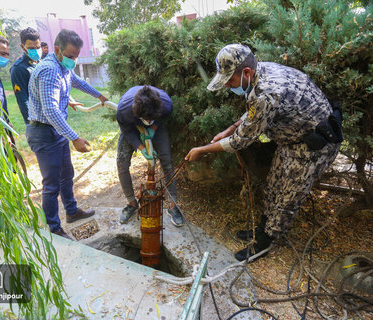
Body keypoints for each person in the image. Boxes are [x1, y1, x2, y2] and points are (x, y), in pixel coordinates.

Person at [185, 44, 342, 261]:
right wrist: (230, 128)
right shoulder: (260, 71)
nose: (229, 86)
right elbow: (253, 112)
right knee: (273, 186)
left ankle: (265, 242)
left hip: (313, 147)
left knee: (287, 198)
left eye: (230, 81)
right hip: (292, 141)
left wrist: (203, 150)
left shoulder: (267, 92)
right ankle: (263, 229)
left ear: (246, 73)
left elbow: (241, 141)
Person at [26, 29, 108, 239]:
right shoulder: (49, 70)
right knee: (51, 184)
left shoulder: (63, 65)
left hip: (56, 130)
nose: (73, 60)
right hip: (43, 133)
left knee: (66, 175)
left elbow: (77, 81)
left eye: (76, 56)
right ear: (57, 50)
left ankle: (71, 212)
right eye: (71, 56)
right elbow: (50, 110)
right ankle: (54, 229)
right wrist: (74, 137)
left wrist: (99, 95)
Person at [116, 85, 184, 227]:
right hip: (132, 127)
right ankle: (132, 203)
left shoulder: (166, 104)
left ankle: (172, 206)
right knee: (121, 163)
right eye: (146, 120)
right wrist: (141, 148)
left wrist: (152, 128)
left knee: (167, 162)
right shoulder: (124, 110)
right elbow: (127, 131)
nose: (148, 122)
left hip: (156, 127)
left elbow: (161, 118)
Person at [10, 27, 42, 125]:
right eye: (31, 48)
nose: (36, 51)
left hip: (52, 117)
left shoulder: (41, 63)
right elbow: (23, 100)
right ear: (23, 47)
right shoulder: (18, 68)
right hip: (37, 121)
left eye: (38, 47)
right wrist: (32, 124)